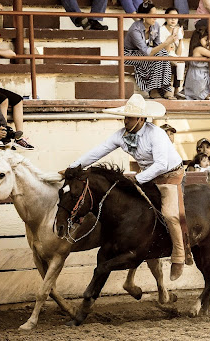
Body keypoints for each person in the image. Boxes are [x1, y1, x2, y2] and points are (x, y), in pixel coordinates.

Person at [68, 94, 190, 281]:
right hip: (147, 175)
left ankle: (179, 257)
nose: (125, 121)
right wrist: (74, 166)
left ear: (141, 119)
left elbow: (161, 164)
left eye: (130, 118)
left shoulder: (156, 134)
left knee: (169, 214)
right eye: (125, 117)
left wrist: (138, 179)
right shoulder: (121, 135)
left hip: (170, 176)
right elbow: (99, 151)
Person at [124, 2, 176, 99]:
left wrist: (167, 51)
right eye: (152, 15)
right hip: (129, 55)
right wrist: (166, 43)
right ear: (144, 16)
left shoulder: (155, 25)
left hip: (145, 53)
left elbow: (157, 45)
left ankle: (165, 87)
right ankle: (154, 89)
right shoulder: (135, 29)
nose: (155, 18)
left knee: (163, 53)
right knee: (157, 55)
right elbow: (146, 52)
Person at [160, 7, 186, 99]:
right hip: (163, 55)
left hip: (174, 57)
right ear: (166, 18)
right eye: (171, 17)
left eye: (175, 17)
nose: (173, 19)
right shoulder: (162, 30)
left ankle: (177, 90)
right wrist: (172, 36)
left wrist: (180, 38)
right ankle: (168, 90)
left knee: (181, 63)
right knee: (174, 63)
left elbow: (178, 54)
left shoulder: (178, 30)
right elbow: (165, 50)